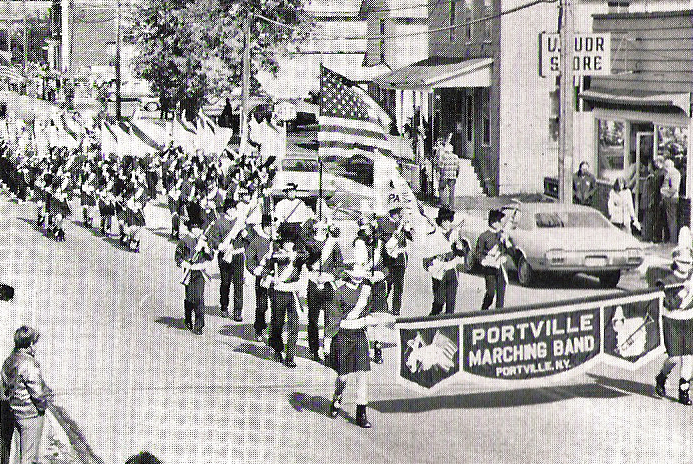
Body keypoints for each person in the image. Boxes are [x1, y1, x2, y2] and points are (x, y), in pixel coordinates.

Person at [325, 266, 382, 429]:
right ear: (348, 276)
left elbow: (369, 311)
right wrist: (326, 342)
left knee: (362, 375)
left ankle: (361, 412)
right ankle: (337, 396)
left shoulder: (366, 291)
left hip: (359, 335)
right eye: (354, 276)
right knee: (343, 377)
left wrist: (370, 320)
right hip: (343, 336)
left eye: (360, 276)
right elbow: (333, 318)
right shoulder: (339, 292)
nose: (358, 279)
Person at [654, 228, 693, 404]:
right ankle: (662, 377)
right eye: (682, 261)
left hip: (690, 319)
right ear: (675, 261)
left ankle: (684, 389)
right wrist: (683, 293)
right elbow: (668, 304)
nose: (686, 264)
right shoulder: (667, 281)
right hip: (672, 320)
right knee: (674, 357)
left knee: (690, 355)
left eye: (689, 261)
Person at [1, 326, 50, 464]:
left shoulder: (9, 360)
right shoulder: (29, 363)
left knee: (19, 455)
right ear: (29, 344)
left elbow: (4, 387)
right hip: (29, 416)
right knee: (29, 458)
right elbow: (38, 394)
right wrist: (42, 408)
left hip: (14, 413)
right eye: (35, 343)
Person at [264, 227, 305, 368]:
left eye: (291, 242)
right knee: (277, 322)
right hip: (278, 291)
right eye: (286, 242)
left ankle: (290, 356)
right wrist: (270, 277)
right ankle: (276, 348)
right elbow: (266, 269)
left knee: (294, 324)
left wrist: (296, 256)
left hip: (292, 291)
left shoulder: (298, 255)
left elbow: (309, 255)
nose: (289, 245)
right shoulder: (275, 255)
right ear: (282, 243)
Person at [305, 218, 344, 362]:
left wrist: (330, 276)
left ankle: (327, 348)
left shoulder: (333, 244)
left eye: (324, 225)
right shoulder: (309, 242)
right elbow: (305, 254)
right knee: (313, 319)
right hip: (313, 282)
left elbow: (340, 266)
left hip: (328, 284)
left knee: (331, 317)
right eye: (318, 225)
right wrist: (311, 219)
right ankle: (314, 349)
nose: (321, 228)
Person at [353, 215, 388, 364]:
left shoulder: (380, 243)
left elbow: (388, 264)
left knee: (378, 317)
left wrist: (382, 274)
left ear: (372, 227)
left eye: (366, 228)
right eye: (361, 229)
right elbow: (358, 265)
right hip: (365, 283)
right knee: (364, 317)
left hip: (379, 283)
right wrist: (363, 273)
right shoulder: (358, 243)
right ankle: (363, 349)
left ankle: (378, 347)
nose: (364, 232)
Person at [175, 202, 213, 335]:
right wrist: (184, 263)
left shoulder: (203, 241)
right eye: (195, 228)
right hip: (189, 272)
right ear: (191, 228)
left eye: (199, 228)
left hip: (200, 272)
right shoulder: (185, 240)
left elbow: (210, 256)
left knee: (199, 298)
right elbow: (178, 256)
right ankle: (187, 317)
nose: (198, 231)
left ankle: (199, 324)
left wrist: (206, 249)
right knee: (190, 297)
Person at [207, 197, 248, 321]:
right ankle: (224, 306)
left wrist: (246, 234)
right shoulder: (219, 222)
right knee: (225, 282)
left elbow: (249, 239)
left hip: (238, 254)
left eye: (233, 208)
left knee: (238, 283)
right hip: (224, 256)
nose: (231, 211)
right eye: (229, 209)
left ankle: (237, 311)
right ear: (225, 210)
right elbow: (213, 238)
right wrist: (219, 246)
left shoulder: (240, 222)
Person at [424, 207, 463, 316]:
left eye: (449, 220)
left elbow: (461, 251)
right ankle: (430, 324)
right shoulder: (434, 235)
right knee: (439, 301)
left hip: (452, 269)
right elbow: (427, 256)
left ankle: (449, 328)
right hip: (439, 270)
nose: (447, 223)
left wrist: (459, 245)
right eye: (444, 220)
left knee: (451, 302)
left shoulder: (454, 233)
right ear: (440, 221)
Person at [378, 206, 413, 316]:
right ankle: (382, 306)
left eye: (400, 212)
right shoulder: (383, 222)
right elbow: (385, 241)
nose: (400, 215)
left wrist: (407, 229)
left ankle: (396, 310)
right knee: (387, 283)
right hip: (389, 259)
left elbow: (412, 237)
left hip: (400, 259)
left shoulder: (402, 223)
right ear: (392, 213)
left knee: (399, 286)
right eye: (398, 213)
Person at [476, 209, 512, 311]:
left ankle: (499, 317)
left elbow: (511, 252)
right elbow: (478, 253)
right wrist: (485, 261)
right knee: (491, 293)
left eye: (500, 220)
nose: (500, 223)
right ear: (492, 221)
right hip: (490, 268)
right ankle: (484, 310)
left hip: (501, 267)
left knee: (500, 296)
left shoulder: (503, 235)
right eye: (497, 220)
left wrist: (506, 242)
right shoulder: (484, 236)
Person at [245, 214, 274, 341]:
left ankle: (273, 331)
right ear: (263, 227)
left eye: (272, 226)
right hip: (262, 275)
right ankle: (259, 329)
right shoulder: (256, 241)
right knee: (262, 305)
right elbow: (250, 261)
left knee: (276, 305)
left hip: (275, 276)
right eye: (268, 226)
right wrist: (255, 270)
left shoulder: (276, 241)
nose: (271, 229)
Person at [661, 158, 681, 244]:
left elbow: (673, 187)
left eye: (665, 167)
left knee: (671, 220)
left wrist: (665, 193)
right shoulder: (674, 173)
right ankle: (671, 239)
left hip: (671, 199)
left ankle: (673, 240)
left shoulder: (672, 173)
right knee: (671, 220)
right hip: (671, 198)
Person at [438, 140, 459, 208]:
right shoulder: (456, 157)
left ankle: (443, 203)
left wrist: (440, 174)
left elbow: (441, 166)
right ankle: (451, 205)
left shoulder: (444, 156)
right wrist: (456, 175)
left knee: (441, 189)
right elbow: (458, 167)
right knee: (451, 191)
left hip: (445, 176)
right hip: (453, 176)